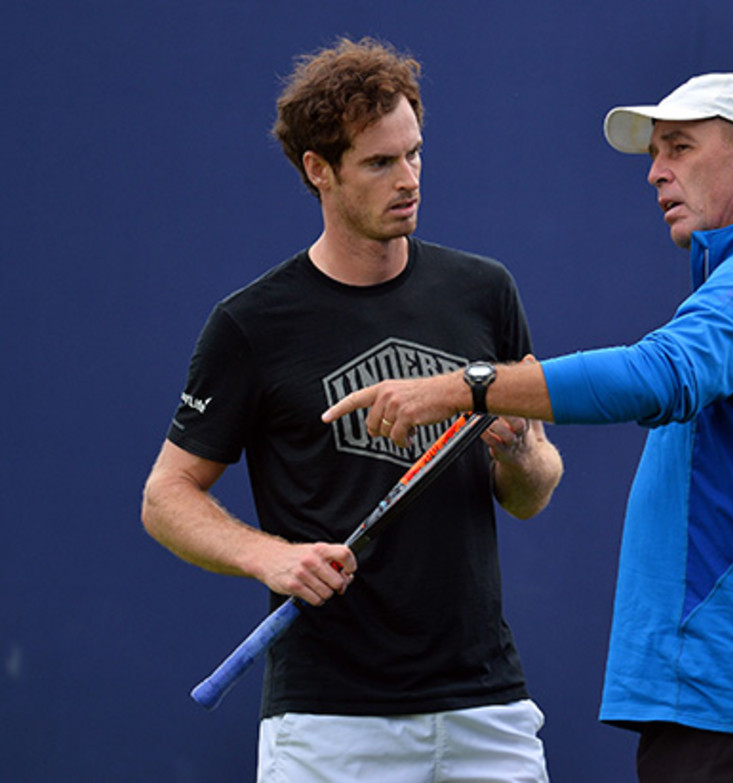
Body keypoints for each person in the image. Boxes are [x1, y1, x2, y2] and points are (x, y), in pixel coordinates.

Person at [324, 73, 733, 783]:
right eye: (656, 152)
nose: (657, 172)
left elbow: (659, 374)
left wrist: (464, 387)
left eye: (680, 148)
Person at [141, 37, 563, 783]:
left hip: (484, 709)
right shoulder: (251, 325)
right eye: (379, 163)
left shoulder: (484, 291)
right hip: (328, 723)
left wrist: (518, 450)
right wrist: (272, 556)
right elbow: (166, 496)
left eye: (414, 154)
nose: (409, 179)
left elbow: (531, 493)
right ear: (319, 170)